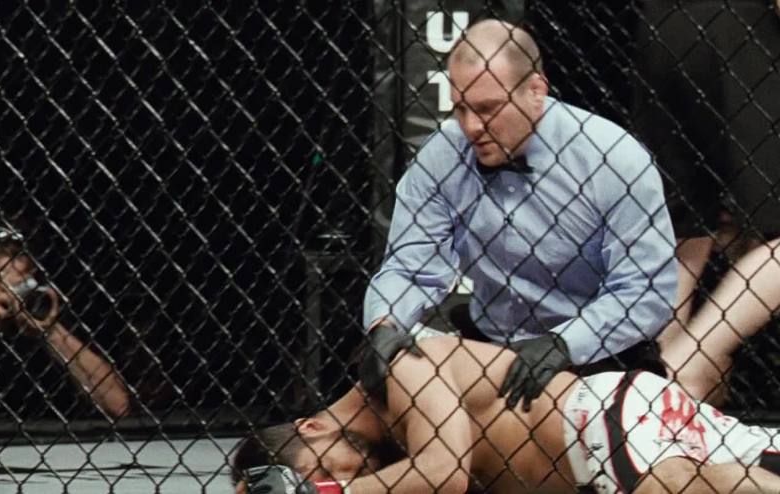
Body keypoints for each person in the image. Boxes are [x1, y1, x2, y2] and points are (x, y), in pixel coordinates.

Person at [361, 19, 677, 411]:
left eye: (487, 108)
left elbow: (647, 291)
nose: (472, 127)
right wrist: (385, 323)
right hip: (488, 346)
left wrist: (566, 342)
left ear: (536, 92)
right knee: (375, 399)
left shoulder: (612, 159)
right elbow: (412, 267)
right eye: (460, 108)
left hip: (596, 353)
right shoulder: (442, 155)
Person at [232, 335, 780, 493]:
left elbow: (446, 471)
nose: (343, 478)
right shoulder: (395, 467)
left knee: (676, 486)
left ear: (312, 427)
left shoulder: (402, 365)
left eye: (322, 472)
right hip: (618, 448)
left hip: (601, 421)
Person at [631, 0, 780, 403]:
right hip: (742, 26)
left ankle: (658, 386)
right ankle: (686, 364)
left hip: (664, 23)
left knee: (685, 218)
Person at [0, 223, 130, 419]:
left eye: (23, 277)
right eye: (0, 277)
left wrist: (51, 331)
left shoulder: (54, 311)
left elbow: (118, 406)